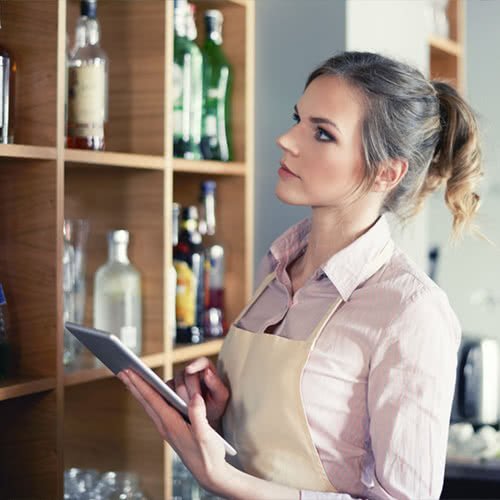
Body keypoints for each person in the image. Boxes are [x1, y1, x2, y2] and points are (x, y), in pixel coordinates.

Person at [118, 51, 484, 499]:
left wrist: (224, 479)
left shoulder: (410, 311)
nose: (287, 139)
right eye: (298, 118)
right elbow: (265, 460)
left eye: (322, 133)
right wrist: (219, 418)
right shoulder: (274, 269)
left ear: (386, 172)